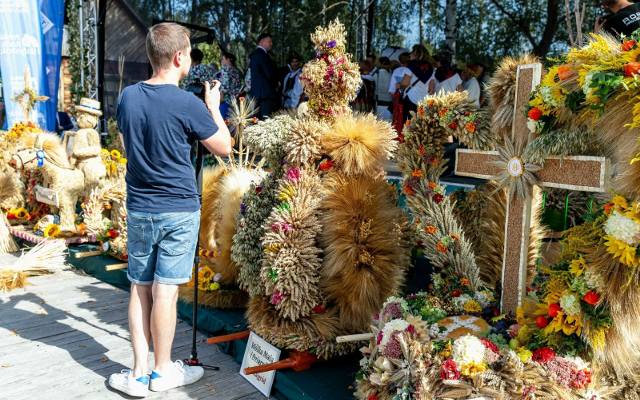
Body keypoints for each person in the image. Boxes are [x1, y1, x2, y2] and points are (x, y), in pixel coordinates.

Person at [110, 22, 232, 398]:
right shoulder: (188, 103)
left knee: (139, 287)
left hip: (141, 206)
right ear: (179, 57)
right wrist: (213, 107)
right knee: (165, 292)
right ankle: (163, 371)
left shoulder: (128, 97)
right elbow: (224, 147)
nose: (192, 60)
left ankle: (138, 370)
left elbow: (124, 139)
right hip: (178, 209)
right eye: (191, 53)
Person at [400, 45, 436, 121]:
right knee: (420, 128)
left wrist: (399, 85)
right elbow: (431, 89)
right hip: (424, 101)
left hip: (411, 99)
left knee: (408, 127)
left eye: (412, 53)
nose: (410, 55)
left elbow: (405, 83)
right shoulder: (431, 68)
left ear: (416, 54)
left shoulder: (411, 65)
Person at [249, 33, 279, 119]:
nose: (271, 44)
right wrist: (277, 83)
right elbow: (269, 73)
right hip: (265, 94)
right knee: (265, 121)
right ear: (261, 42)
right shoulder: (262, 55)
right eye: (269, 41)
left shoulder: (254, 55)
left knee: (256, 121)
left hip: (256, 94)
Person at [389, 52, 411, 132]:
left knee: (399, 123)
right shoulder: (415, 71)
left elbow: (392, 90)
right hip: (412, 102)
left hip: (399, 102)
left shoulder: (396, 71)